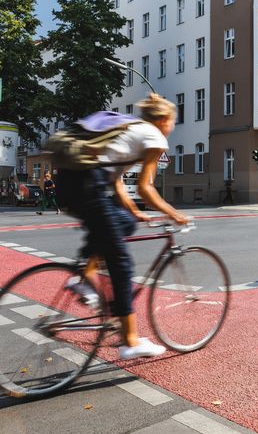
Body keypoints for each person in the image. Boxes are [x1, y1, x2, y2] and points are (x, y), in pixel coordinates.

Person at [67, 94, 188, 360]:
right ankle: (130, 341)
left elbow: (116, 180)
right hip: (89, 181)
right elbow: (145, 188)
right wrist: (174, 214)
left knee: (124, 223)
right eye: (173, 122)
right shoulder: (154, 136)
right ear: (163, 120)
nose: (172, 127)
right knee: (122, 264)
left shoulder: (130, 129)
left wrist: (134, 212)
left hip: (71, 180)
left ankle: (84, 276)